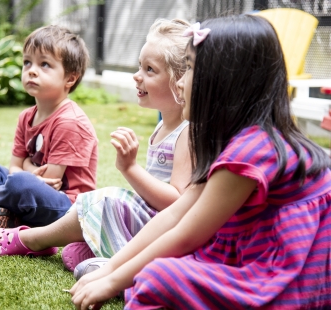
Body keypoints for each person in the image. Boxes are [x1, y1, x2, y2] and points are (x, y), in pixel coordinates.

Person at [69, 14, 331, 310]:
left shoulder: (252, 149)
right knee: (155, 274)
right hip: (251, 253)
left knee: (158, 277)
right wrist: (109, 272)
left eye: (190, 67)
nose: (179, 81)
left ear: (223, 82)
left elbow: (186, 235)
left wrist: (113, 282)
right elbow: (175, 215)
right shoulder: (227, 140)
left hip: (287, 278)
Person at [0, 18, 193, 269]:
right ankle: (97, 248)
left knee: (105, 199)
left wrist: (129, 168)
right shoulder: (164, 126)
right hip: (149, 223)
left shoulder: (187, 133)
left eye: (150, 70)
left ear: (181, 81)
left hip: (163, 231)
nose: (137, 76)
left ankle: (31, 239)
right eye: (139, 66)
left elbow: (177, 204)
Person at [0, 25, 98, 231]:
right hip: (30, 187)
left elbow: (50, 180)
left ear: (70, 78)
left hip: (66, 206)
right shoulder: (26, 117)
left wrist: (25, 167)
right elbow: (14, 166)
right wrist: (25, 168)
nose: (31, 70)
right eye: (27, 62)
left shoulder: (70, 121)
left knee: (20, 184)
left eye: (44, 64)